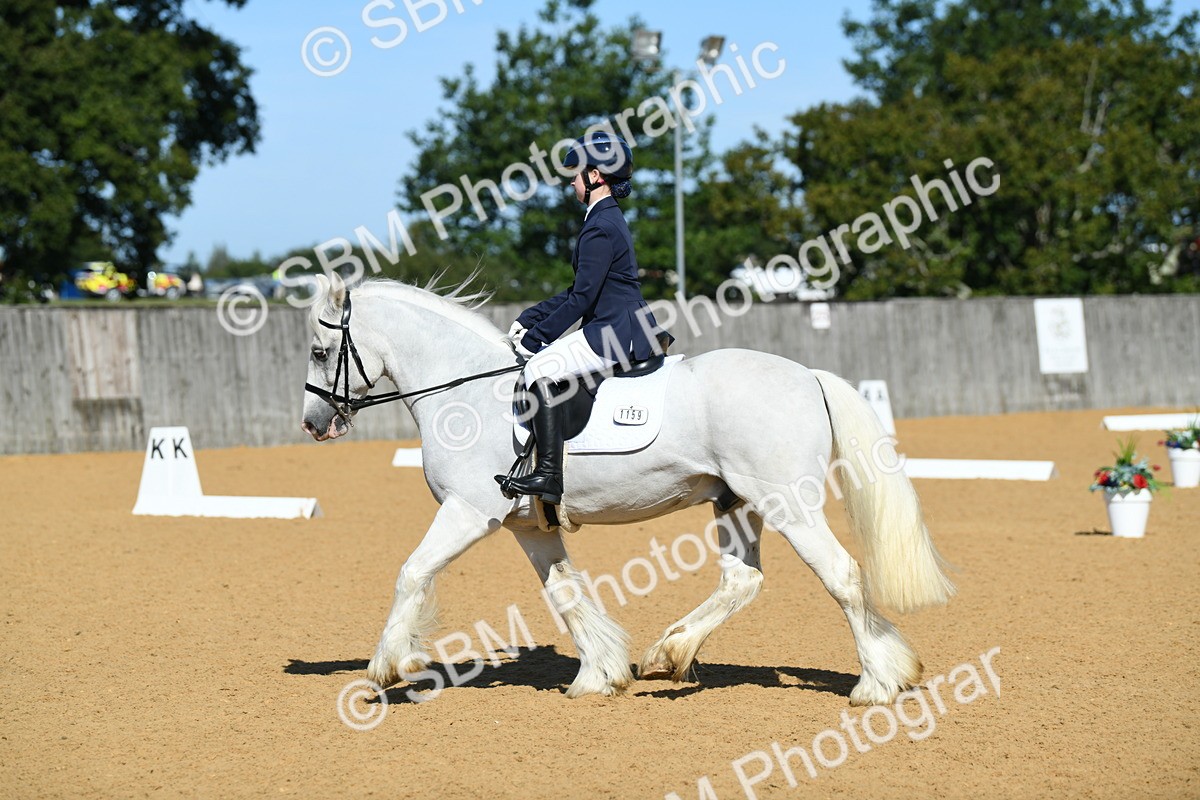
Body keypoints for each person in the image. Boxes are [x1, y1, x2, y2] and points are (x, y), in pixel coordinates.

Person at [498, 130, 662, 505]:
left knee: (539, 369)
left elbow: (583, 298)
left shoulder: (600, 226)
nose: (571, 181)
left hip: (614, 332)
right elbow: (578, 290)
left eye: (576, 174)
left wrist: (535, 340)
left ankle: (548, 475)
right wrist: (531, 317)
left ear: (596, 176)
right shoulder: (605, 219)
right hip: (620, 325)